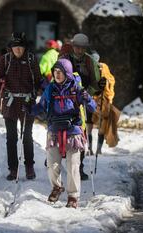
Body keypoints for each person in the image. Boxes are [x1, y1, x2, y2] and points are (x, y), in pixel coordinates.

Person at [31, 58, 96, 208]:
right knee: (52, 164)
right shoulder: (50, 89)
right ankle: (57, 187)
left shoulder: (76, 89)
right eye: (55, 71)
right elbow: (41, 106)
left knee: (73, 165)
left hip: (73, 131)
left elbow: (92, 107)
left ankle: (73, 196)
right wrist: (29, 109)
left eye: (60, 72)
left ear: (67, 73)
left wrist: (87, 98)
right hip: (54, 130)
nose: (57, 74)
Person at [0, 32, 42, 181]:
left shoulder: (32, 60)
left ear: (25, 48)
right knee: (11, 138)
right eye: (15, 47)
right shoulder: (5, 60)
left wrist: (43, 86)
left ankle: (29, 167)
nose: (18, 50)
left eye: (21, 47)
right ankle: (13, 169)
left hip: (27, 103)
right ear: (10, 48)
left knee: (27, 137)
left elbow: (38, 80)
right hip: (10, 103)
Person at [59, 33, 105, 180]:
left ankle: (79, 167)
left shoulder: (90, 61)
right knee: (61, 131)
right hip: (64, 100)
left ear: (85, 48)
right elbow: (57, 78)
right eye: (76, 47)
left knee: (81, 135)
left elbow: (95, 83)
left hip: (82, 102)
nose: (78, 50)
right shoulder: (64, 60)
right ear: (72, 46)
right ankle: (57, 160)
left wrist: (92, 90)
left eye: (82, 47)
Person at [90, 51, 120, 154]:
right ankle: (89, 148)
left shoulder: (103, 67)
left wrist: (105, 82)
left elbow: (111, 80)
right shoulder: (87, 67)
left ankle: (98, 149)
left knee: (102, 125)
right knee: (89, 125)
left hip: (102, 100)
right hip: (90, 100)